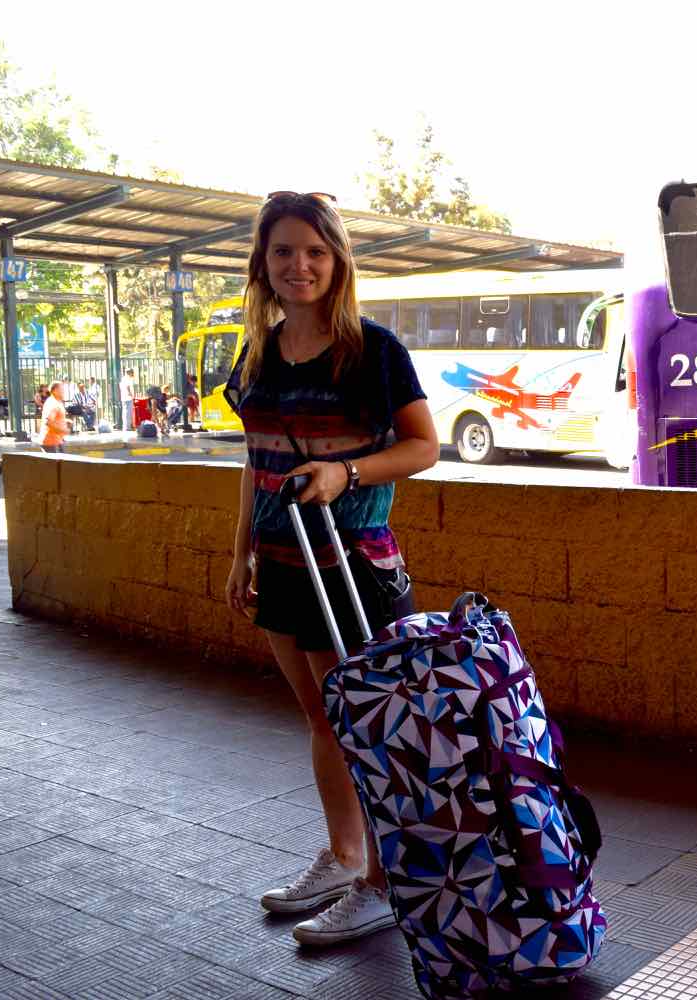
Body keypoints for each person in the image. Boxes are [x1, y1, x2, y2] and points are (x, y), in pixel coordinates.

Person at [222, 191, 437, 947]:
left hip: (350, 565)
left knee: (362, 722)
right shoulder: (256, 353)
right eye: (283, 251)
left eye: (314, 251)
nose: (299, 265)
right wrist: (240, 548)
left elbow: (422, 447)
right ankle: (347, 857)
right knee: (323, 717)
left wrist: (346, 473)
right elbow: (257, 460)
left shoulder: (372, 351)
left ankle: (382, 881)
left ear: (337, 261)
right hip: (284, 565)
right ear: (264, 264)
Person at [38, 381, 70, 453]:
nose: (64, 392)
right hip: (51, 442)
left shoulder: (57, 402)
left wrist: (64, 421)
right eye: (62, 389)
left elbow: (55, 418)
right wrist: (63, 430)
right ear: (55, 390)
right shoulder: (53, 403)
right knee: (56, 464)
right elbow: (48, 422)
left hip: (57, 441)